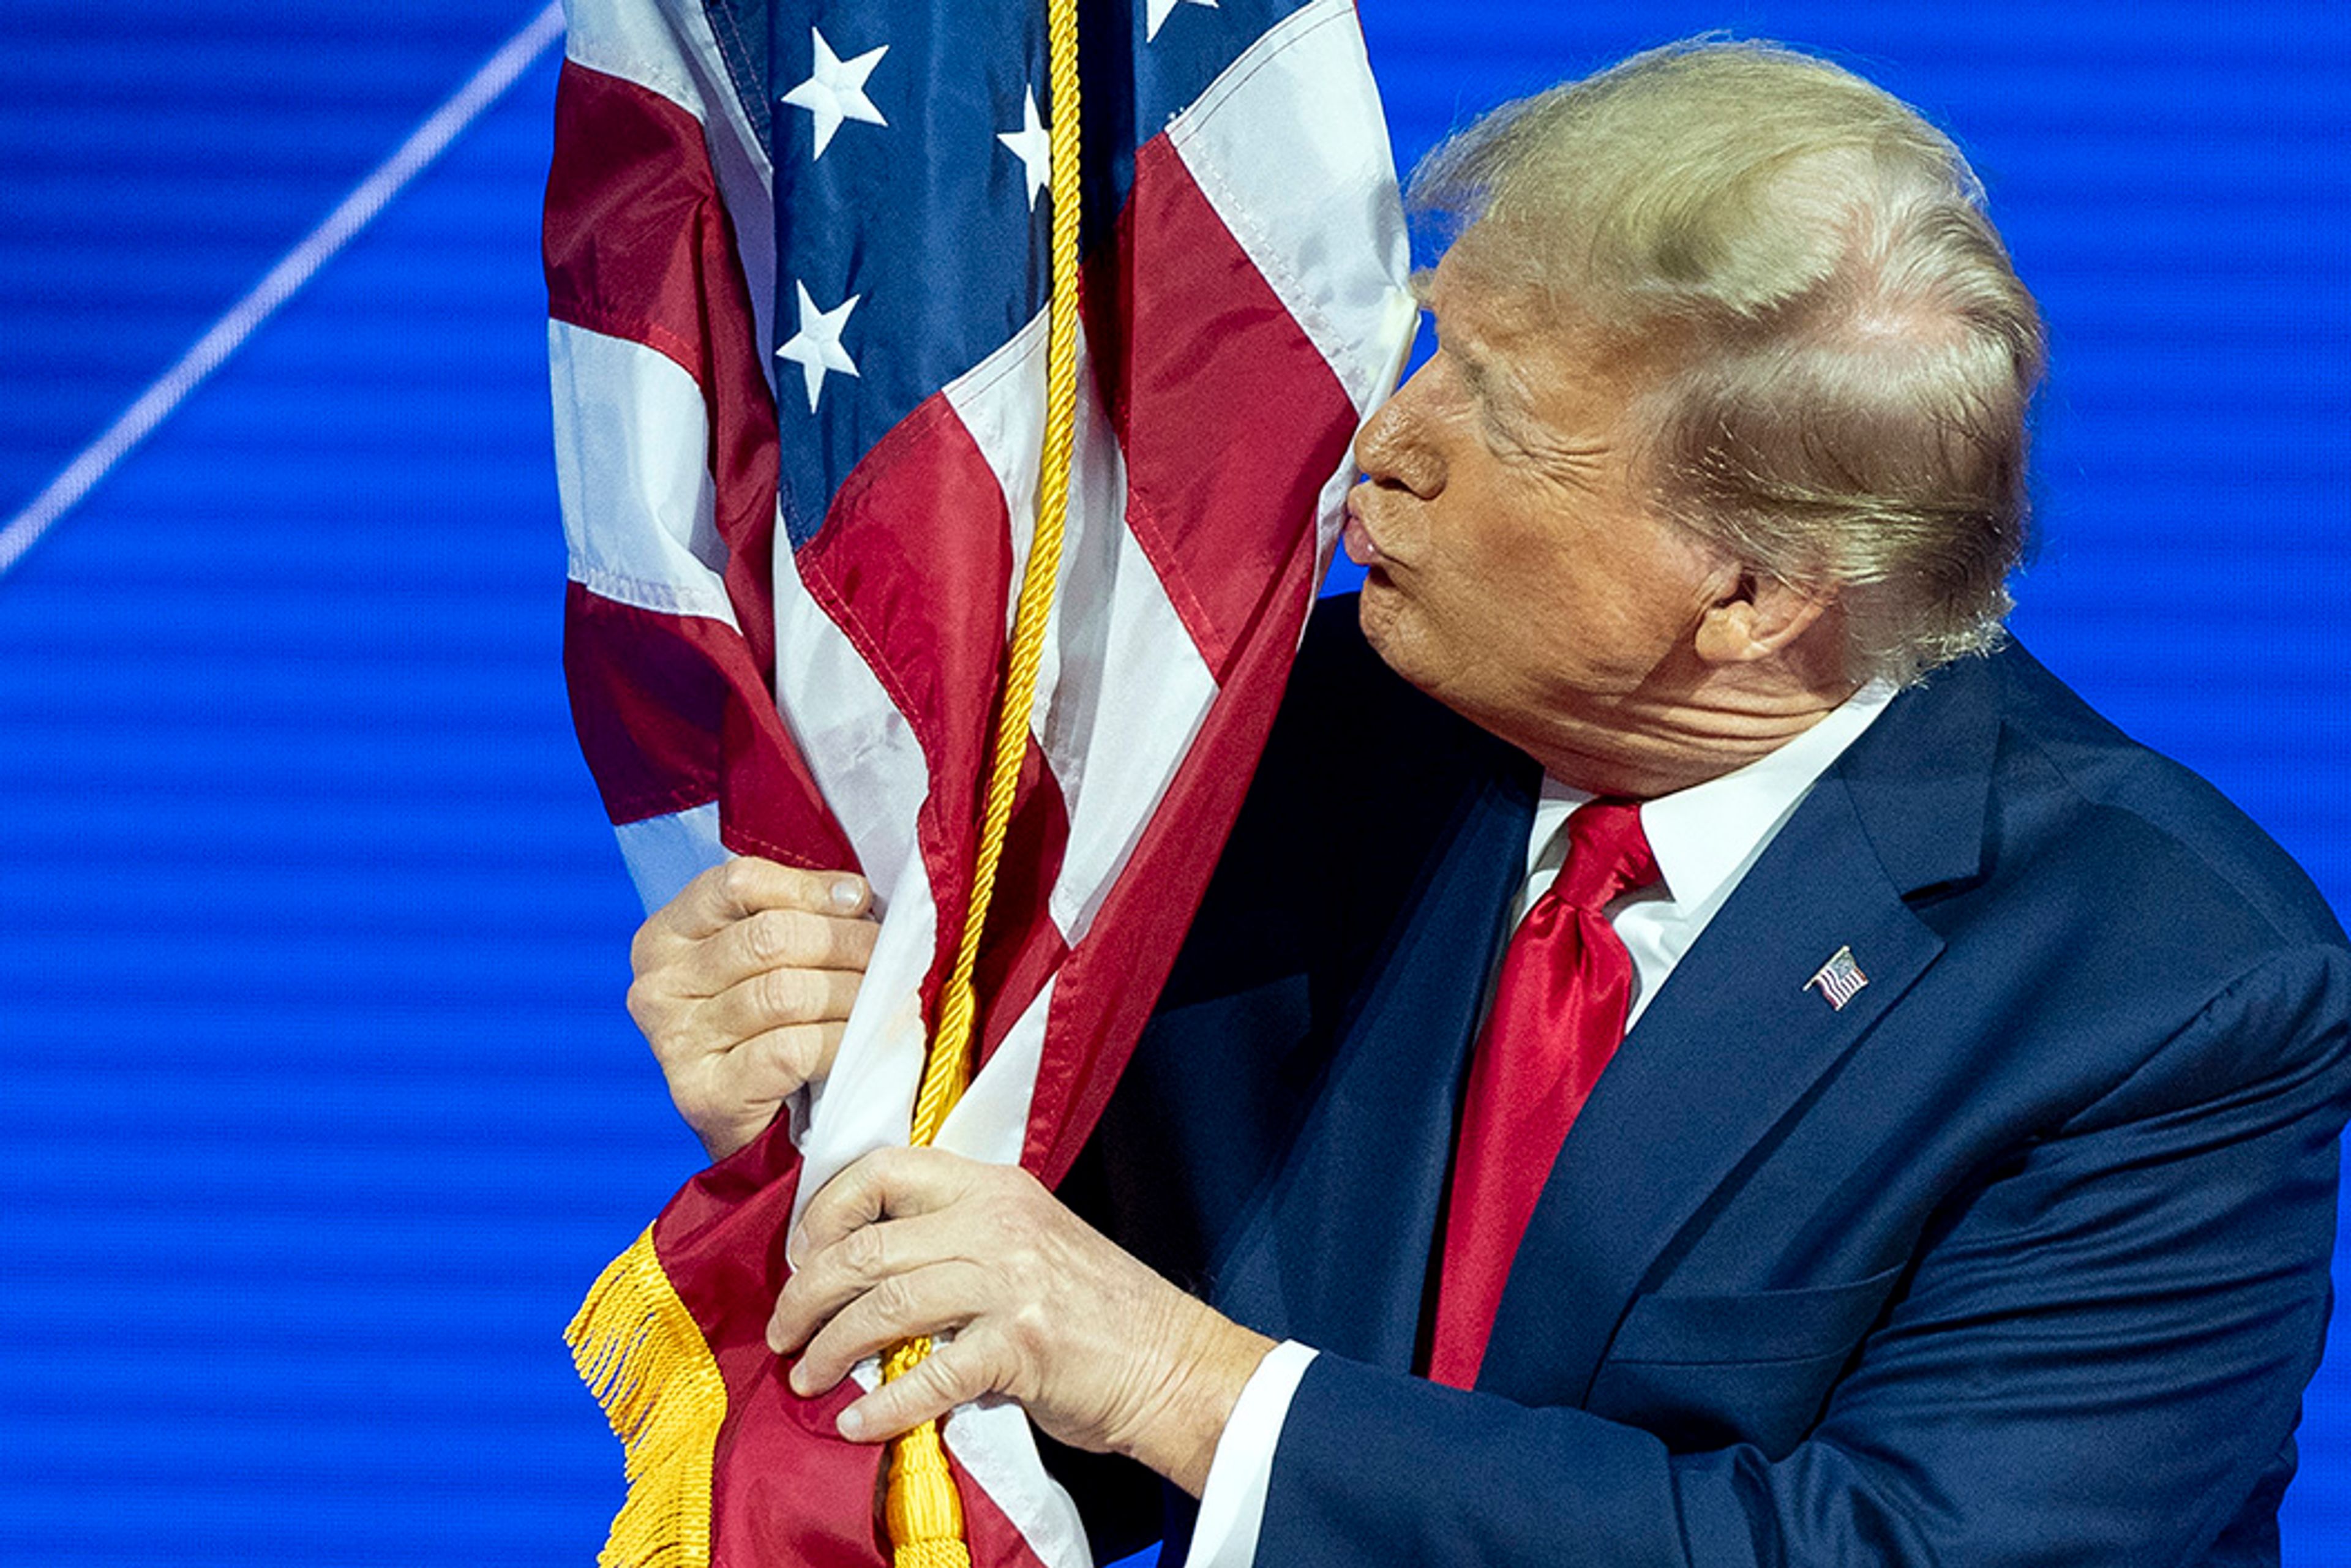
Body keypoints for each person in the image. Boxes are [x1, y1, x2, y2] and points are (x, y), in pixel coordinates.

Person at [621, 40, 2351, 1566]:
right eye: (1436, 345)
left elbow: (1882, 1549)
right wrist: (839, 1090)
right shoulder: (1290, 751)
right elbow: (1060, 1381)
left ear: (1749, 591)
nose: (1384, 435)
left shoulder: (2164, 987)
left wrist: (1190, 1382)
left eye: (1497, 416)